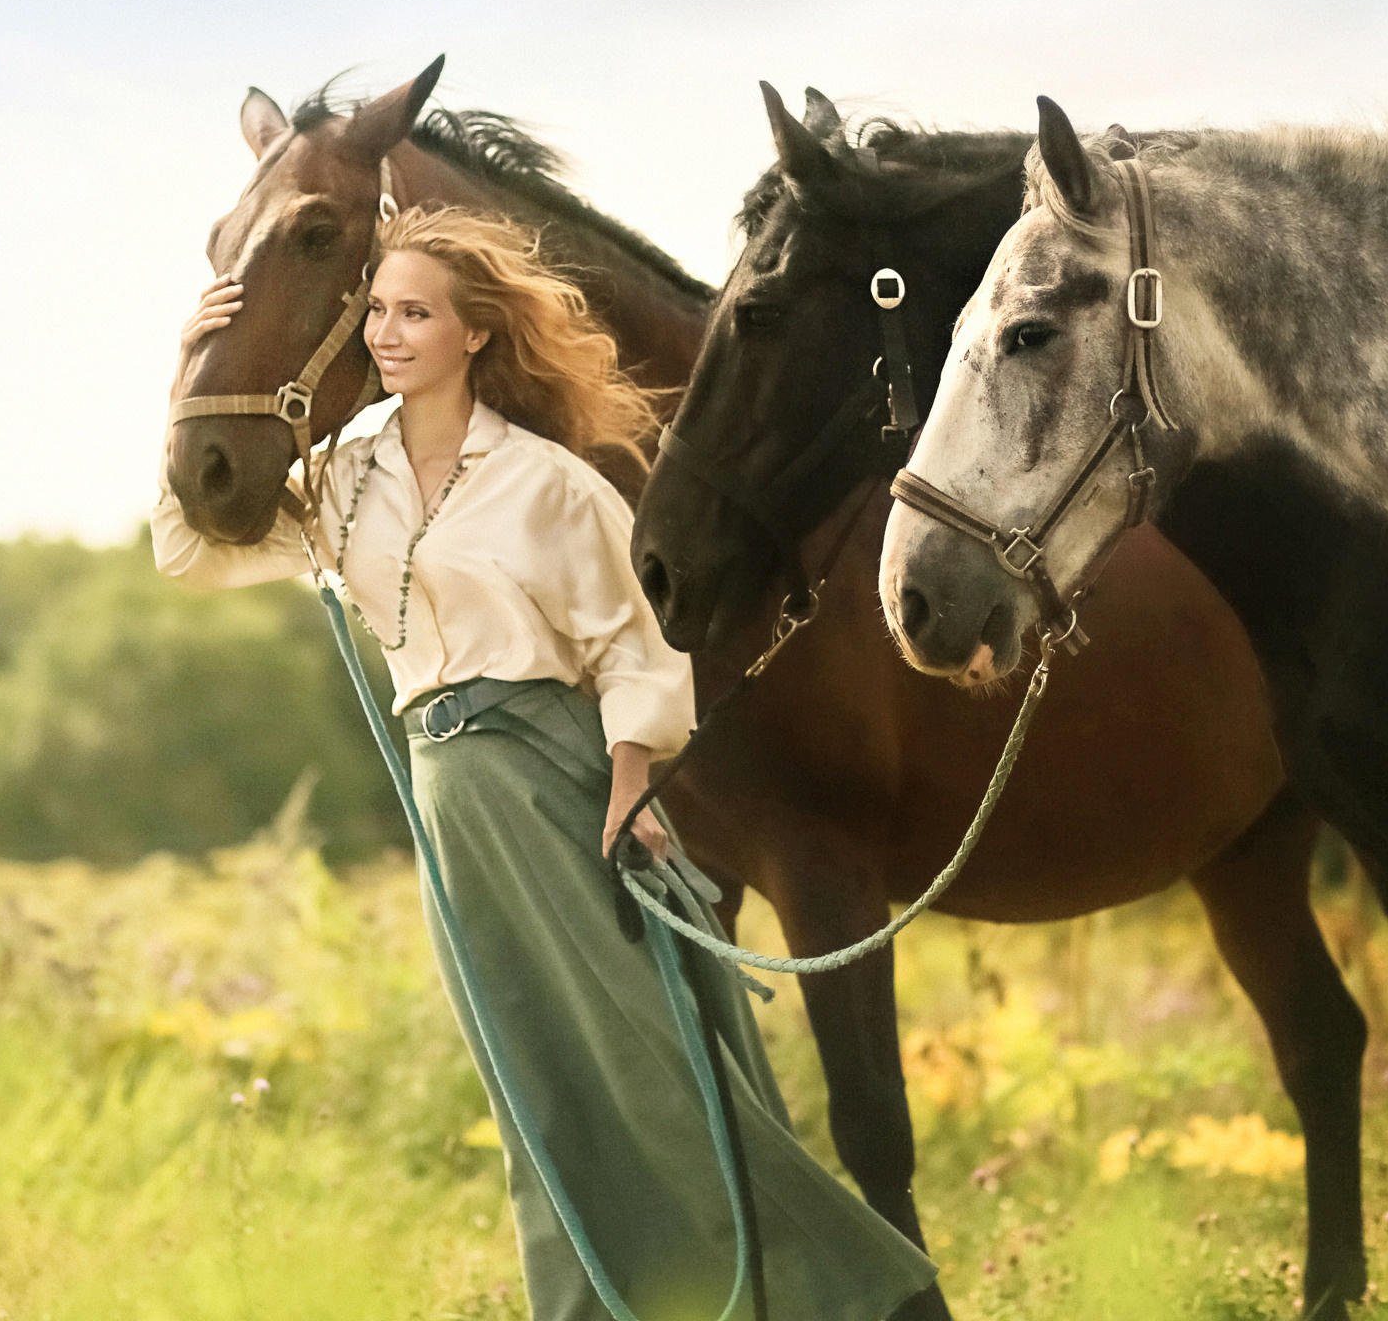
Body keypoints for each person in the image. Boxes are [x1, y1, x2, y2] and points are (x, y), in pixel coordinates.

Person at [155, 205, 938, 1320]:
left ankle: (850, 1296)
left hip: (552, 783)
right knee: (534, 1088)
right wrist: (197, 360)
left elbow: (637, 644)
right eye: (377, 311)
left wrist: (629, 776)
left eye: (415, 312)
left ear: (475, 333)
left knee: (642, 1067)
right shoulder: (343, 479)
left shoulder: (549, 483)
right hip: (451, 810)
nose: (388, 333)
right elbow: (192, 548)